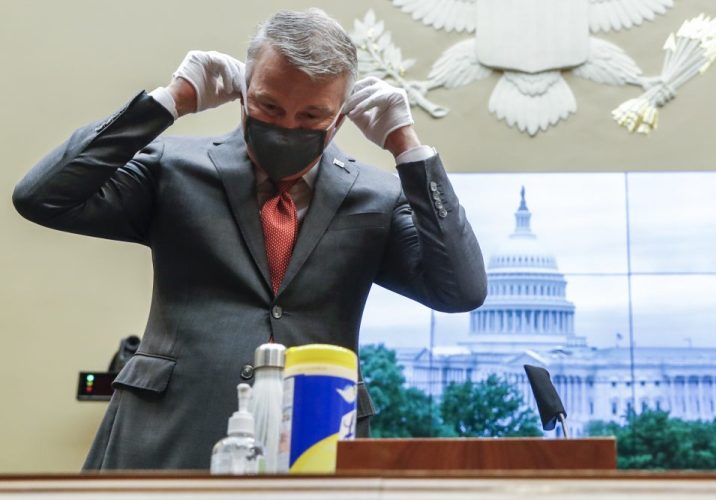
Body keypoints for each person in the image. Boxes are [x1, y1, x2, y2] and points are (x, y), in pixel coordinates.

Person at [12, 9, 486, 470]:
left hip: (313, 444)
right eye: (270, 106)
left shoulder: (378, 198)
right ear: (242, 91)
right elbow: (42, 197)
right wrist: (168, 101)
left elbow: (460, 289)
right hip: (164, 435)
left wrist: (409, 148)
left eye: (311, 116)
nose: (287, 127)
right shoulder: (171, 169)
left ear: (340, 116)